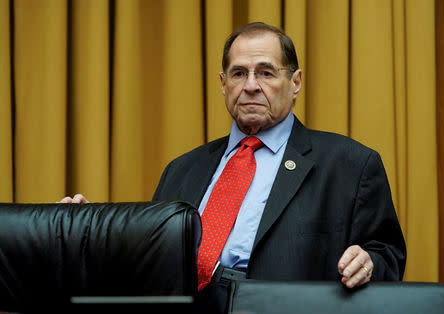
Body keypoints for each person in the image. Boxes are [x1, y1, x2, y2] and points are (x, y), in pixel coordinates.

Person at [62, 22, 406, 314]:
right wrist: (93, 232)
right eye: (239, 73)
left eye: (266, 72)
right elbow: (150, 261)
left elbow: (387, 255)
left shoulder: (350, 164)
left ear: (296, 82)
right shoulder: (182, 169)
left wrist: (369, 263)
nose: (251, 85)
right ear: (224, 83)